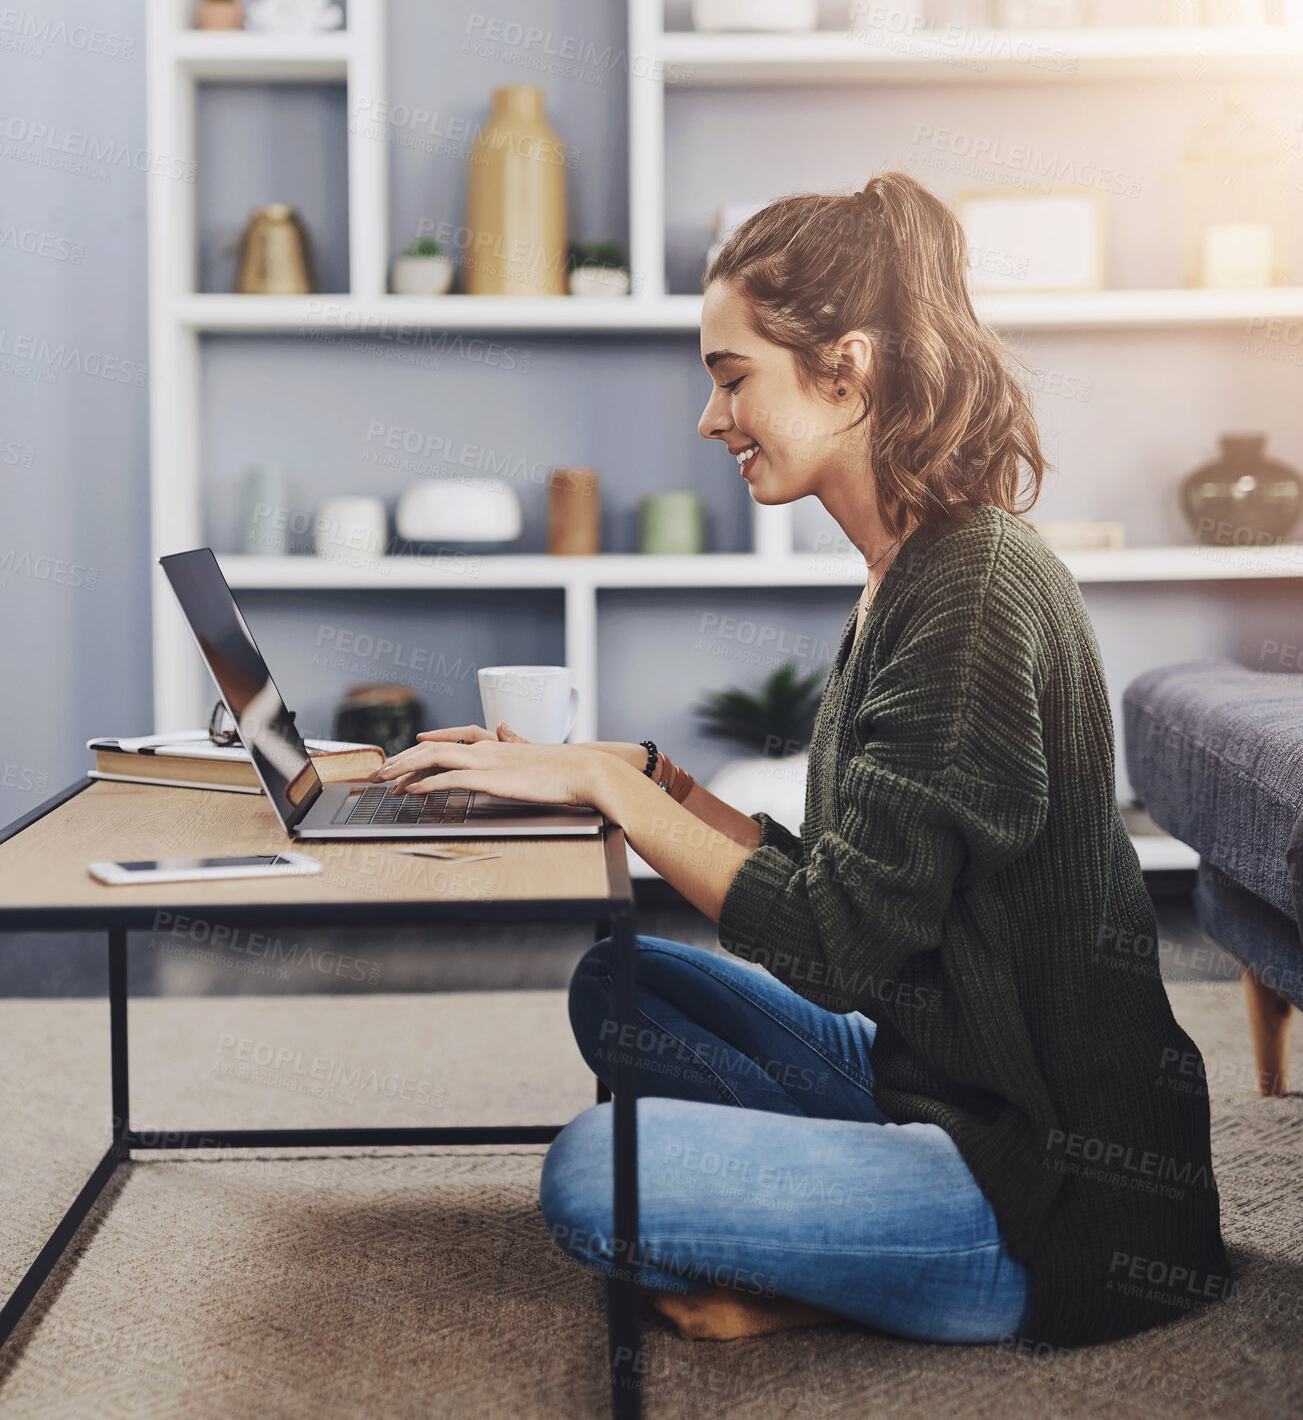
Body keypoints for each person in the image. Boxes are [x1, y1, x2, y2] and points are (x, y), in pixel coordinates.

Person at [371, 173, 1233, 1350]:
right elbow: (852, 877)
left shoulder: (971, 591)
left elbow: (839, 941)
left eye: (732, 378)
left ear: (849, 367)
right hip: (939, 1068)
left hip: (1048, 1185)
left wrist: (606, 791)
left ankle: (869, 1264)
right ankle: (829, 1232)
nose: (709, 418)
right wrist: (639, 772)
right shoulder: (910, 566)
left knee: (593, 1170)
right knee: (623, 985)